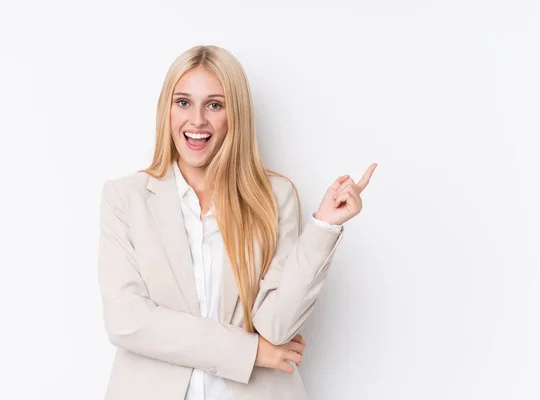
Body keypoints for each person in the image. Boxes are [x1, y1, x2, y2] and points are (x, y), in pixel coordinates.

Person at [97, 44, 377, 400]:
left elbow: (276, 326)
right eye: (183, 102)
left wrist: (324, 227)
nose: (197, 120)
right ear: (166, 109)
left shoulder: (275, 196)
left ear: (235, 114)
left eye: (214, 105)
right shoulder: (125, 198)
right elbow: (127, 320)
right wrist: (250, 352)